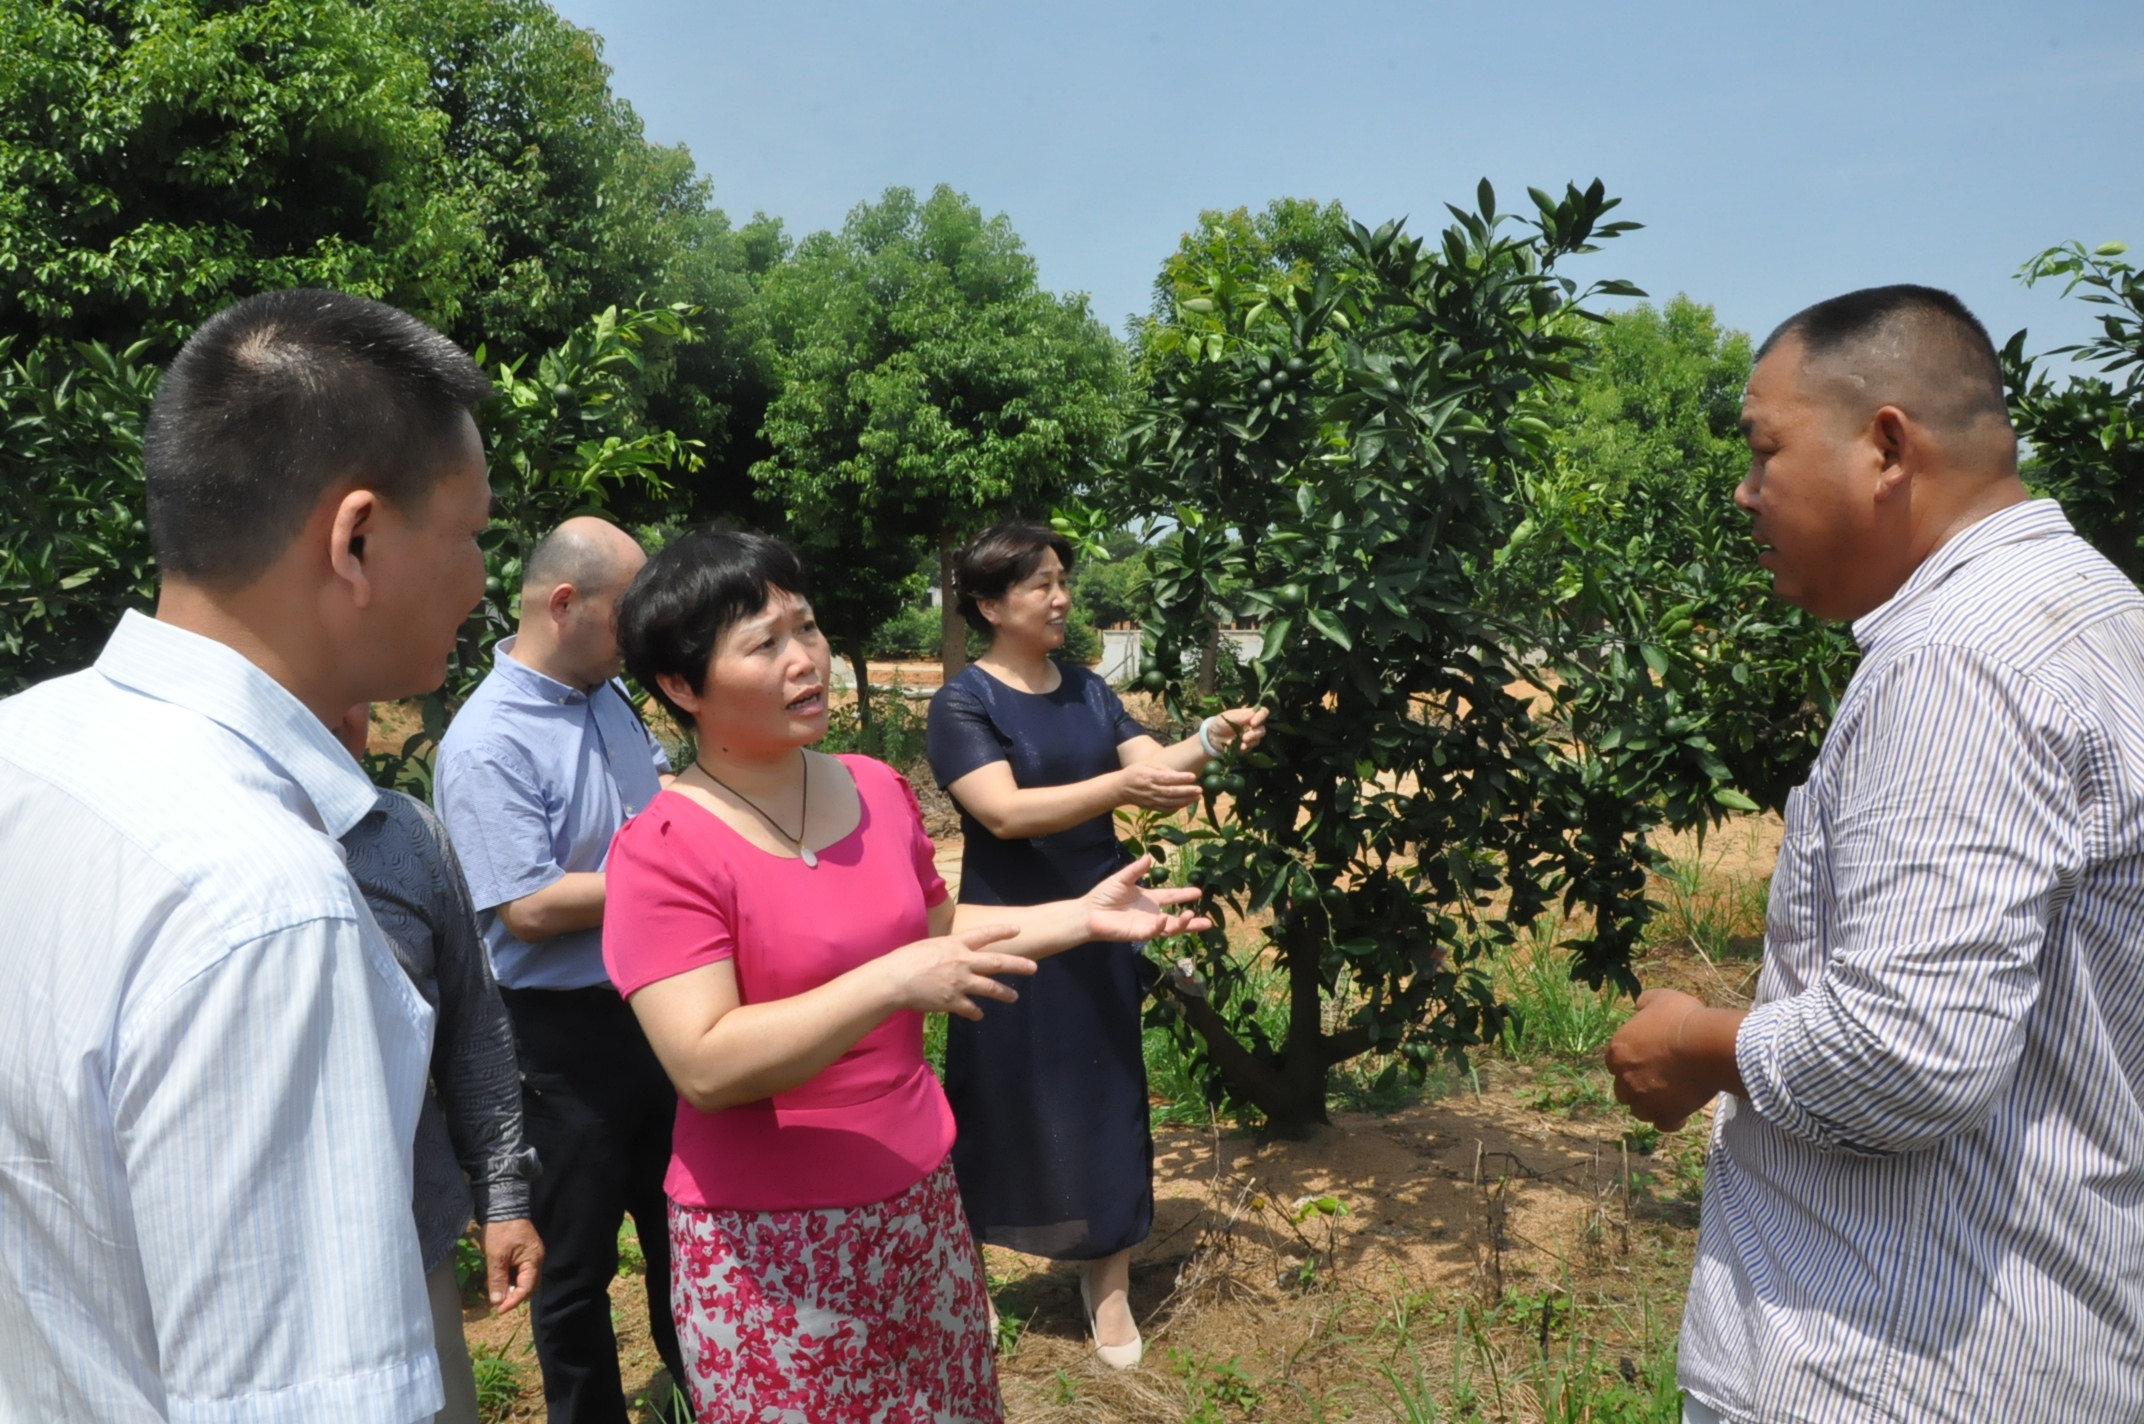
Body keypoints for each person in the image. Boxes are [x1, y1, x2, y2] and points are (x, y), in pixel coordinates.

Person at [1603, 285, 2144, 1424]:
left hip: (1884, 1367)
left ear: (1886, 447)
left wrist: (1692, 1042)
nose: (1744, 490)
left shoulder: (1957, 662)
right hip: (2045, 1335)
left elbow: (1901, 1053)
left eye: (1763, 450)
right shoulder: (2101, 614)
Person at [0, 289, 494, 1421]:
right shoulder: (267, 906)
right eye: (470, 532)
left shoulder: (23, 744)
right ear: (356, 540)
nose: (481, 578)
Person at [599, 526, 1215, 1422]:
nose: (805, 659)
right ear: (681, 686)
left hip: (919, 1200)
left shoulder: (874, 788)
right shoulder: (662, 849)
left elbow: (941, 931)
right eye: (764, 645)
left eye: (807, 628)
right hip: (771, 1242)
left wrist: (1081, 919)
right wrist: (890, 981)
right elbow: (706, 1063)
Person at [924, 522, 1267, 1367]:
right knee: (998, 1099)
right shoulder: (964, 702)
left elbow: (1154, 771)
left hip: (1106, 918)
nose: (1061, 598)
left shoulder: (1085, 687)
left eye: (1061, 580)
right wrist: (1120, 786)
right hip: (1007, 930)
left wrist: (1209, 741)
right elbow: (1004, 811)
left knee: (1106, 1095)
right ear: (990, 605)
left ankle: (1105, 1280)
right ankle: (970, 1281)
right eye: (1041, 584)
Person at [433, 516, 686, 1423]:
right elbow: (529, 908)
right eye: (630, 612)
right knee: (575, 1265)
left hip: (657, 1005)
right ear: (566, 604)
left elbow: (658, 799)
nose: (645, 632)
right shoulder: (488, 740)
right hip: (560, 1041)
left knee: (683, 1230)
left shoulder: (609, 695)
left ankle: (703, 1391)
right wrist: (679, 879)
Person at [334, 704, 546, 1424]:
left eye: (353, 692)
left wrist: (503, 1199)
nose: (340, 715)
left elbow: (473, 1032)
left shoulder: (404, 834)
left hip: (411, 1231)